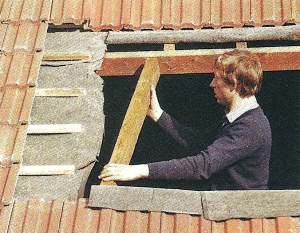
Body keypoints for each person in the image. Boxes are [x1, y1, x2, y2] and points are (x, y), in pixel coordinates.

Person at [99, 49, 272, 190]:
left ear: (233, 84)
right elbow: (201, 142)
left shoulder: (250, 127)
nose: (212, 84)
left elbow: (202, 166)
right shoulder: (236, 115)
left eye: (217, 78)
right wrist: (158, 114)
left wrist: (138, 171)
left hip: (240, 214)